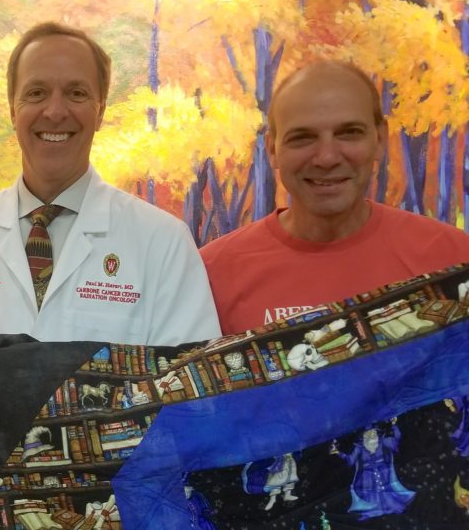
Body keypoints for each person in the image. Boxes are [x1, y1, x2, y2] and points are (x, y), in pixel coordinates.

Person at [0, 22, 220, 346]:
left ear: (100, 111)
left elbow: (191, 385)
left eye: (76, 93)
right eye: (36, 93)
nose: (54, 111)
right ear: (12, 110)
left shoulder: (164, 243)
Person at [201, 60, 469, 335]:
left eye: (349, 133)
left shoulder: (455, 259)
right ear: (272, 150)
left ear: (379, 140)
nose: (327, 157)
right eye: (302, 138)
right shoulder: (209, 276)